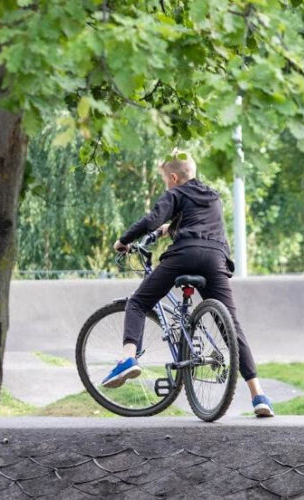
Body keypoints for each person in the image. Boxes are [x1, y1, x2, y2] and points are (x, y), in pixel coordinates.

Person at [103, 152, 274, 417]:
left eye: (164, 180)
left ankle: (127, 358)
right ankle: (258, 395)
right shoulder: (212, 196)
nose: (165, 185)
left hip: (185, 256)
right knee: (231, 325)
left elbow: (151, 220)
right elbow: (195, 222)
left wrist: (123, 240)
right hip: (215, 259)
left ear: (173, 178)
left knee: (137, 303)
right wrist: (166, 231)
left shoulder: (175, 194)